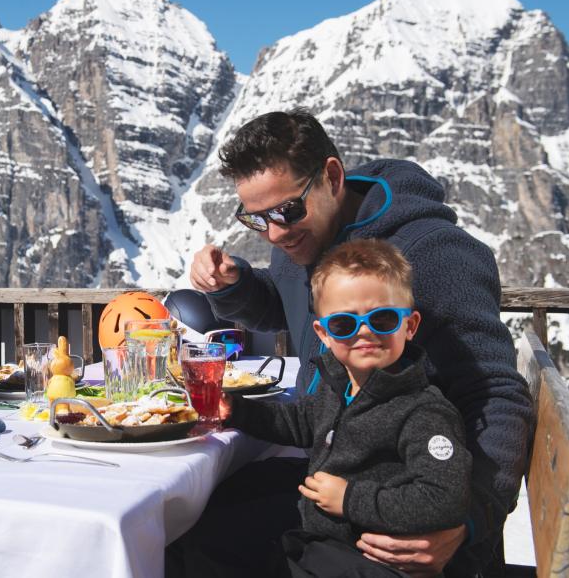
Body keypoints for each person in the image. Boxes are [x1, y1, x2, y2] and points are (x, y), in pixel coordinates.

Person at [184, 110, 533, 576]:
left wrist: (468, 523)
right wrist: (234, 285)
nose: (275, 232)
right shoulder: (301, 237)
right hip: (337, 470)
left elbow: (495, 395)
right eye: (257, 218)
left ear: (331, 176)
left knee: (200, 546)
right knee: (192, 513)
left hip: (402, 514)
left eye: (286, 211)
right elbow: (289, 305)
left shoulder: (432, 254)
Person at [223, 239, 471, 577]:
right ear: (323, 334)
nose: (365, 331)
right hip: (326, 544)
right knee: (216, 528)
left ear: (409, 326)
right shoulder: (338, 384)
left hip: (369, 562)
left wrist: (350, 499)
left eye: (382, 319)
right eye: (344, 324)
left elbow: (444, 498)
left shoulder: (423, 412)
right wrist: (234, 411)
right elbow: (299, 423)